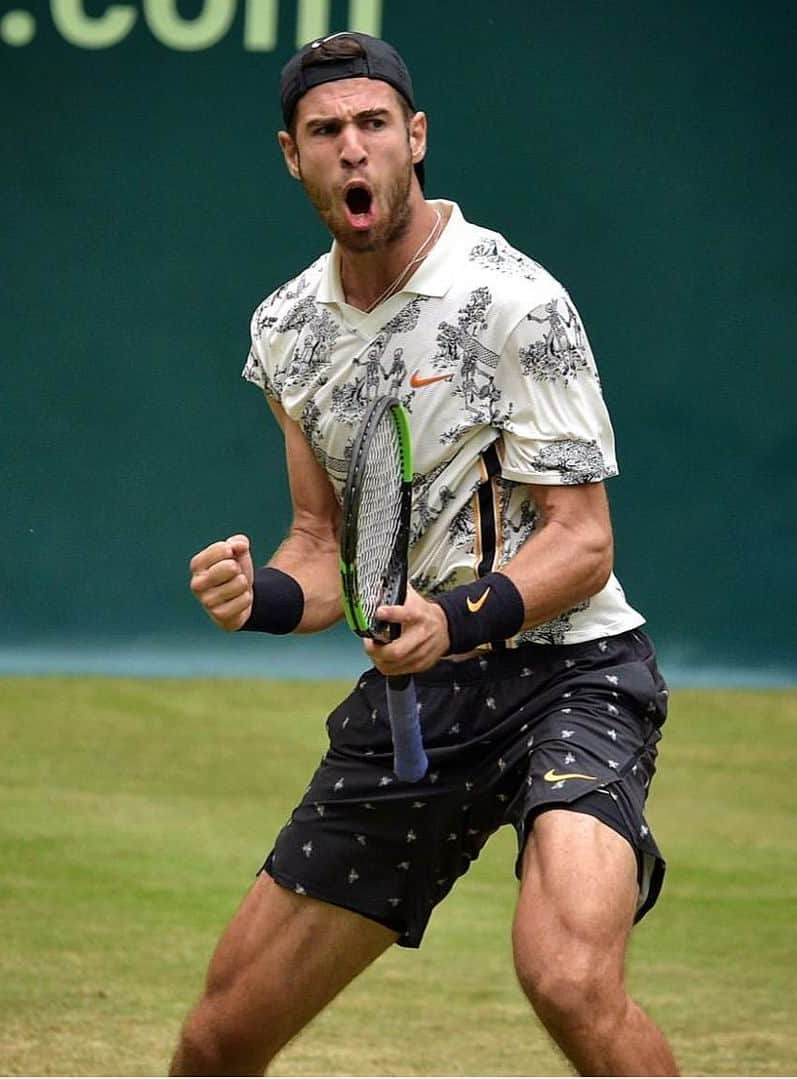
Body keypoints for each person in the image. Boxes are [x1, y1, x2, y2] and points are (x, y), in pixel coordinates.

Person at [174, 31, 678, 1077]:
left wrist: (459, 615)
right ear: (291, 155)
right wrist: (258, 593)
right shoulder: (287, 330)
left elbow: (582, 542)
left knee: (569, 974)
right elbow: (323, 546)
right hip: (420, 694)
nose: (352, 150)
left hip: (573, 672)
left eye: (371, 125)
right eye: (326, 132)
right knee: (220, 1036)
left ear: (415, 137)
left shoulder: (516, 301)